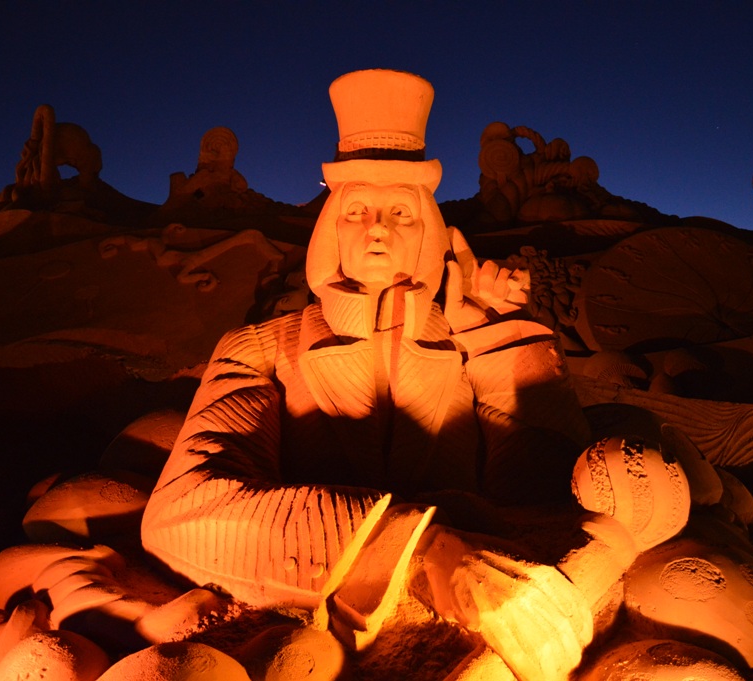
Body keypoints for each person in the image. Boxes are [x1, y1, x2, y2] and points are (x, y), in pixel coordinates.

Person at [141, 69, 597, 676]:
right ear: (331, 227)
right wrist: (412, 549)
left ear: (430, 232)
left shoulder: (467, 344)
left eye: (400, 213)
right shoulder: (258, 348)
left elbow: (552, 490)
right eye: (357, 210)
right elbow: (183, 513)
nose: (378, 228)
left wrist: (497, 334)